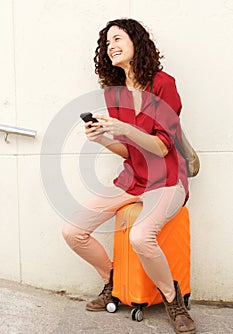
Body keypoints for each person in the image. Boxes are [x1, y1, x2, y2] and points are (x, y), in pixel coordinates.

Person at [62, 18, 196, 334]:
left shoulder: (163, 84)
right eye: (107, 44)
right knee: (72, 230)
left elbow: (162, 147)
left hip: (166, 180)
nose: (112, 46)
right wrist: (103, 138)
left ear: (137, 42)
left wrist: (124, 128)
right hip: (132, 179)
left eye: (118, 38)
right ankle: (111, 280)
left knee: (139, 236)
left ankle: (172, 300)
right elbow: (129, 151)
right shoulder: (115, 94)